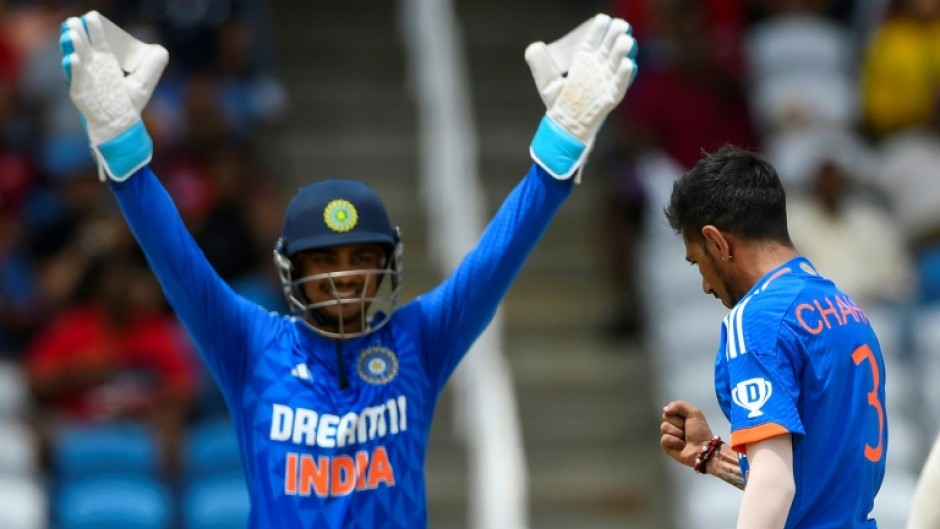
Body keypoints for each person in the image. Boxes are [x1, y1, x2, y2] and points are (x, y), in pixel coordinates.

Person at [58, 10, 637, 528]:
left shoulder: (422, 338)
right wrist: (122, 150)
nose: (343, 275)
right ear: (290, 267)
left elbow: (499, 256)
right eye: (325, 260)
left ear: (387, 265)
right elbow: (175, 258)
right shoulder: (249, 343)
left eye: (361, 258)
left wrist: (562, 143)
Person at [658, 145, 888, 528]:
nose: (704, 285)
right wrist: (713, 456)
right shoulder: (846, 309)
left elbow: (776, 486)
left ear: (717, 242)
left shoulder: (756, 318)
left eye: (698, 262)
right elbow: (809, 479)